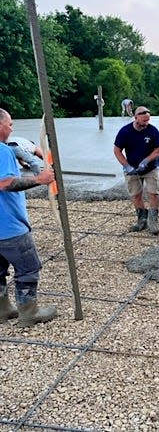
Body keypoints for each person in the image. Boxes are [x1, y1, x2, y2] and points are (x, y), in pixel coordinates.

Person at [0, 108, 57, 327]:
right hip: (9, 227)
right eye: (10, 124)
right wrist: (40, 179)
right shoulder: (3, 151)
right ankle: (28, 312)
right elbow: (5, 183)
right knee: (28, 267)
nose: (12, 129)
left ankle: (3, 310)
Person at [113, 106, 159, 234]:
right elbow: (117, 151)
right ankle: (142, 220)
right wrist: (127, 166)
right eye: (144, 121)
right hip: (132, 168)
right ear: (136, 118)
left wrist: (146, 160)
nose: (146, 123)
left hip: (150, 168)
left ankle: (153, 220)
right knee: (135, 195)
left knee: (153, 193)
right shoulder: (125, 132)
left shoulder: (152, 131)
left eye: (148, 120)